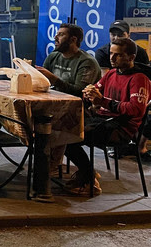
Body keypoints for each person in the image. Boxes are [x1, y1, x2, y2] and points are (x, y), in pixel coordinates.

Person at [64, 37, 150, 196]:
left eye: (117, 55)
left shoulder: (139, 78)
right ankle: (86, 172)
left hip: (121, 128)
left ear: (131, 58)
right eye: (111, 53)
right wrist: (89, 93)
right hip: (103, 121)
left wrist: (102, 101)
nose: (112, 58)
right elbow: (96, 90)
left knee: (69, 137)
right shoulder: (111, 73)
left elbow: (135, 109)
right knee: (62, 128)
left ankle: (89, 178)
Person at [36, 23, 101, 98]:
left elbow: (80, 92)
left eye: (61, 34)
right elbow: (42, 81)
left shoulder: (87, 62)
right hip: (53, 100)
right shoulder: (53, 55)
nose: (55, 37)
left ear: (73, 40)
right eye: (57, 34)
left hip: (76, 106)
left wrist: (55, 80)